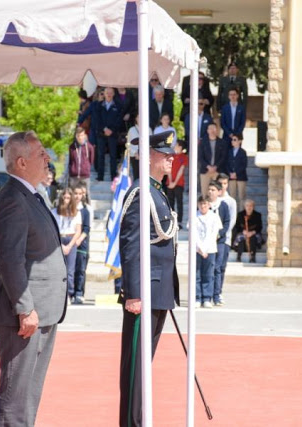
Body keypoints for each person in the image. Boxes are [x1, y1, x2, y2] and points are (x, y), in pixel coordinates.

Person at [0, 131, 68, 426]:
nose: (48, 159)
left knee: (29, 394)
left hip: (43, 310)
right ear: (22, 162)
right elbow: (9, 258)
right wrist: (24, 307)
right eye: (41, 154)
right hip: (24, 314)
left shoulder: (31, 194)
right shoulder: (13, 199)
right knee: (16, 395)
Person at [118, 130, 179, 427]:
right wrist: (133, 292)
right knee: (135, 372)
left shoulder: (157, 192)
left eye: (171, 154)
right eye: (165, 154)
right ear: (149, 156)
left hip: (159, 291)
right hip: (144, 294)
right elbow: (130, 245)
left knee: (144, 368)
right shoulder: (141, 193)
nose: (171, 159)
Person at [53, 187, 82, 301]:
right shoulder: (55, 212)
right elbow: (53, 230)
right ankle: (57, 293)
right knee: (58, 269)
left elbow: (78, 231)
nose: (66, 200)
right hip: (58, 240)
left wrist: (69, 246)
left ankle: (68, 294)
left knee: (70, 271)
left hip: (71, 240)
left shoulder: (76, 213)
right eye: (64, 197)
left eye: (68, 198)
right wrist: (61, 245)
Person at [195, 195, 222, 308]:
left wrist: (205, 249)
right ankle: (197, 297)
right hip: (197, 250)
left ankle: (207, 297)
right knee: (197, 274)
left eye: (205, 204)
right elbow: (194, 233)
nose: (203, 206)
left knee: (208, 274)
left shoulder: (214, 217)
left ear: (209, 205)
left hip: (210, 249)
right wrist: (200, 248)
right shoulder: (195, 216)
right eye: (201, 204)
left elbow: (213, 234)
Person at [207, 180, 230, 305]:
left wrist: (219, 234)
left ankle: (216, 295)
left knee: (217, 268)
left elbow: (227, 222)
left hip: (220, 241)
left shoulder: (223, 205)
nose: (210, 192)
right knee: (207, 268)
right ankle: (206, 296)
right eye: (209, 190)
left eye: (213, 190)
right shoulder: (204, 205)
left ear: (219, 192)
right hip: (207, 242)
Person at [215, 173, 237, 305]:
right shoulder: (211, 200)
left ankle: (219, 292)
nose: (223, 186)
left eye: (225, 183)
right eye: (221, 183)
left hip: (225, 239)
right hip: (211, 240)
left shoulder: (231, 202)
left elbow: (232, 221)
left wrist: (222, 234)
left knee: (221, 267)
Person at [97, 87, 123, 181]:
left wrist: (111, 130)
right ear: (104, 93)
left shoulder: (118, 106)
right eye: (107, 92)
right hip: (101, 133)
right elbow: (96, 119)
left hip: (113, 134)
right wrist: (104, 129)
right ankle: (100, 176)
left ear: (113, 94)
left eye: (110, 92)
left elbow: (119, 120)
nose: (108, 94)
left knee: (113, 156)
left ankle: (113, 176)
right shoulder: (99, 105)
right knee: (100, 155)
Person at [73, 183, 91, 304]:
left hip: (81, 244)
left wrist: (79, 239)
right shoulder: (68, 209)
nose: (78, 196)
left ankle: (79, 292)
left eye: (80, 194)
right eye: (76, 193)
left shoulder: (85, 211)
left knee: (80, 269)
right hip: (70, 243)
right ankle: (70, 292)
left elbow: (86, 228)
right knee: (70, 270)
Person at [199, 122, 228, 196]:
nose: (212, 130)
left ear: (217, 130)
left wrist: (216, 166)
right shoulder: (202, 142)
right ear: (207, 130)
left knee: (218, 193)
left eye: (214, 128)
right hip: (205, 171)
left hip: (217, 171)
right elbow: (200, 157)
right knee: (205, 193)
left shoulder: (222, 142)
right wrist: (208, 166)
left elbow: (223, 157)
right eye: (210, 128)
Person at [166, 140, 188, 228]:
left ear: (180, 147)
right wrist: (170, 181)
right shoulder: (171, 156)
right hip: (169, 182)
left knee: (179, 202)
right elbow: (169, 169)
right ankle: (171, 221)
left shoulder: (184, 157)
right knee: (170, 202)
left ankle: (179, 222)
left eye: (176, 145)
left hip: (179, 183)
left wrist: (174, 183)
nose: (174, 146)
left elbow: (181, 170)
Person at [69, 126, 95, 193]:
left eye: (81, 135)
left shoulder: (89, 147)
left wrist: (86, 167)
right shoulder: (72, 147)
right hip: (74, 175)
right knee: (72, 194)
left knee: (86, 194)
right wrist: (72, 169)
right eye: (78, 135)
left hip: (85, 175)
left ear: (84, 135)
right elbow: (71, 160)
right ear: (76, 136)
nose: (80, 137)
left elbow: (91, 160)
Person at [126, 113, 151, 182]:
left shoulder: (148, 129)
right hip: (135, 156)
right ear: (136, 119)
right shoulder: (131, 130)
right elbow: (129, 144)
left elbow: (151, 143)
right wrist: (136, 153)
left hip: (146, 157)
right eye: (138, 117)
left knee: (145, 177)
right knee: (136, 176)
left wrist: (143, 153)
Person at [225, 133, 248, 206]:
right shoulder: (229, 151)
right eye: (232, 140)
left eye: (235, 140)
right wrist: (230, 173)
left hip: (241, 177)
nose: (232, 141)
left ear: (239, 141)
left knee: (241, 197)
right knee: (232, 197)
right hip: (231, 177)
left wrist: (236, 173)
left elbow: (244, 165)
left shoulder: (243, 152)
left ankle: (241, 215)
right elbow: (227, 164)